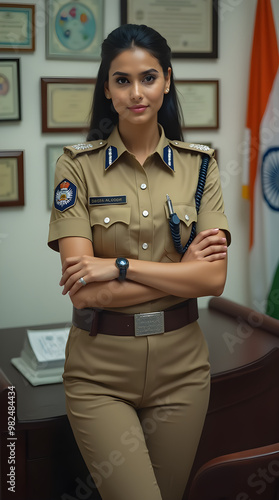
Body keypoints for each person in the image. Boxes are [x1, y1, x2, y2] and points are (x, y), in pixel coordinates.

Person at [48, 24, 230, 500]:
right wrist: (182, 275)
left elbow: (214, 278)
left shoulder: (202, 166)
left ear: (167, 80)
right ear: (106, 89)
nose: (136, 93)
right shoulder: (76, 166)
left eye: (148, 78)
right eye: (122, 80)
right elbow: (86, 290)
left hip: (183, 371)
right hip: (100, 373)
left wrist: (120, 267)